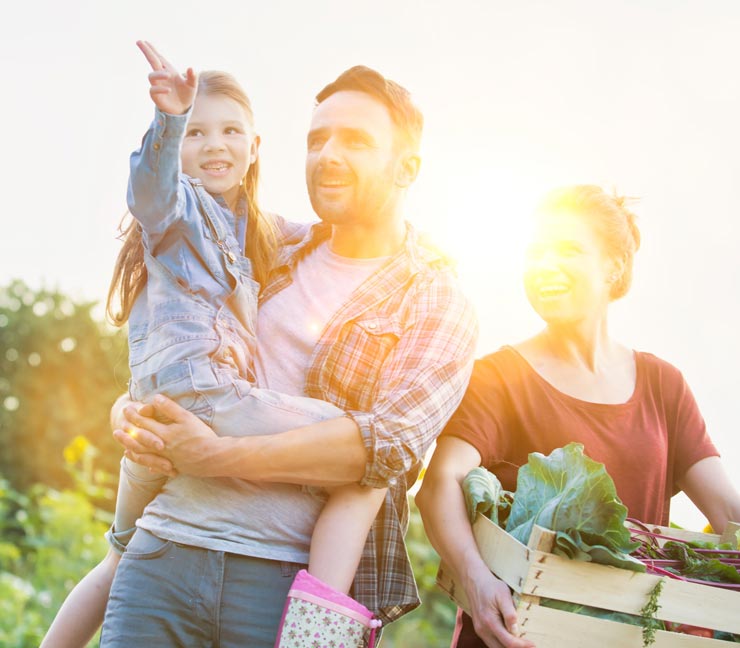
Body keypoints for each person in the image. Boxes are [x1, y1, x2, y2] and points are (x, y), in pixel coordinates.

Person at [90, 45, 477, 647]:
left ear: (407, 168)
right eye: (317, 139)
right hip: (165, 550)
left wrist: (211, 455)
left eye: (355, 141)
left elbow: (386, 447)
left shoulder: (437, 302)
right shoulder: (264, 247)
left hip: (280, 584)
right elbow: (180, 333)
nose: (327, 156)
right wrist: (131, 410)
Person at [415, 185, 740, 648]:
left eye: (568, 249)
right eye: (535, 252)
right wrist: (476, 581)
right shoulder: (497, 377)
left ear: (614, 266)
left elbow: (727, 511)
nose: (546, 265)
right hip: (513, 636)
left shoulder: (662, 385)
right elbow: (439, 484)